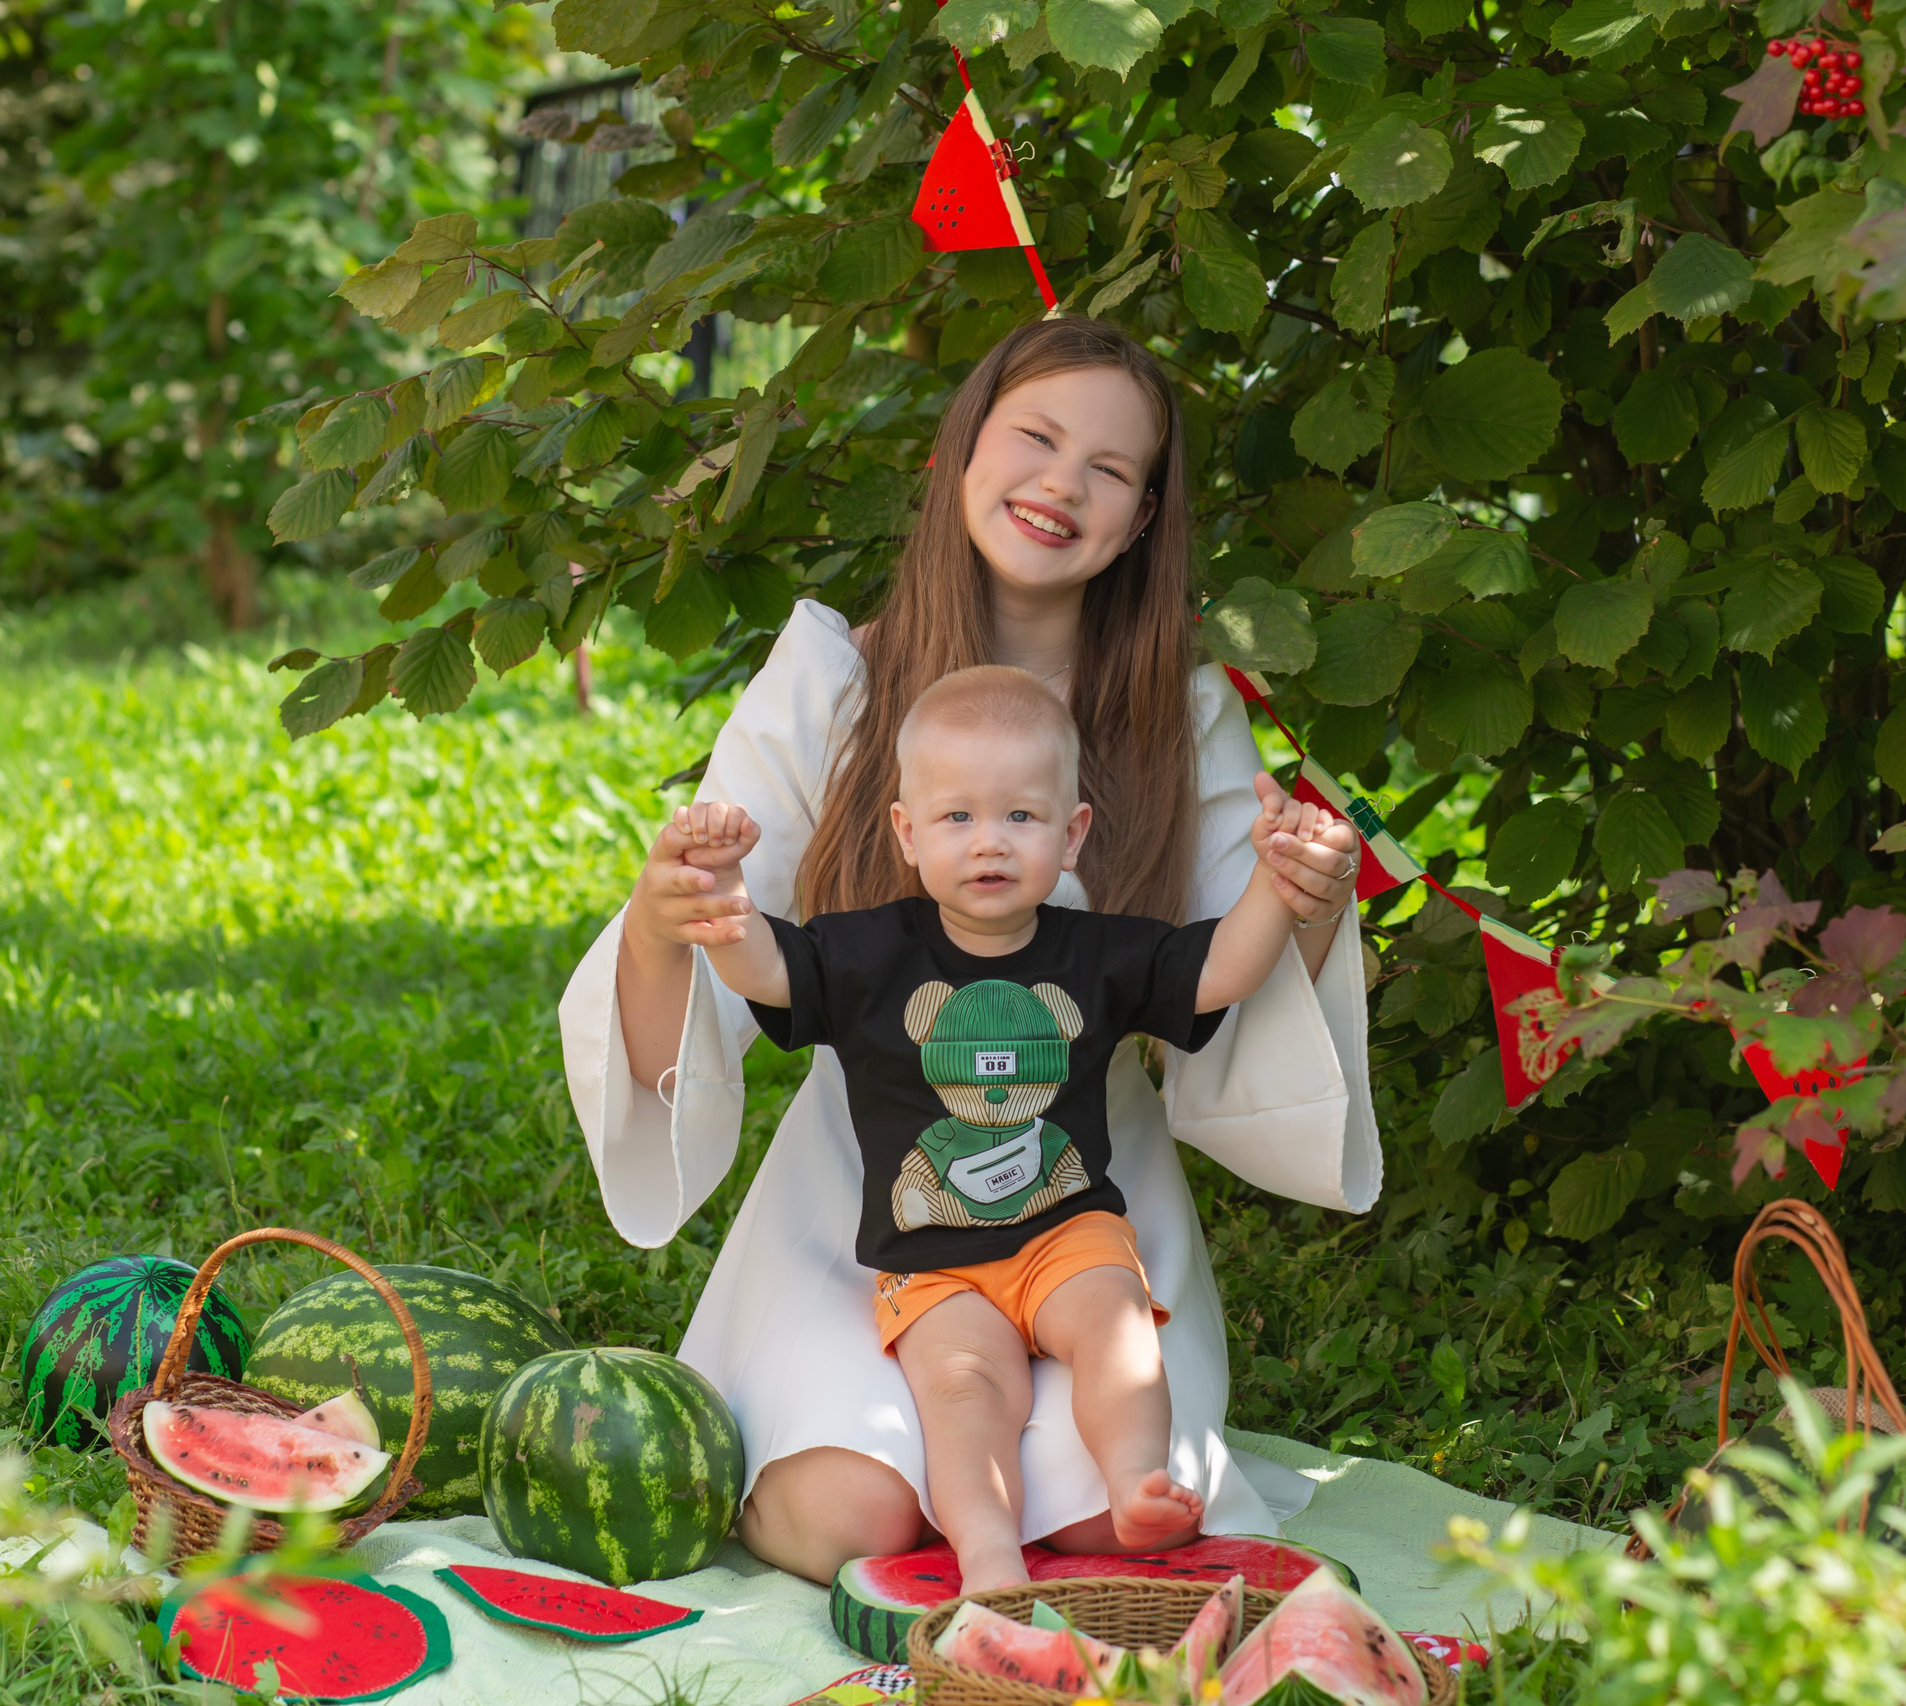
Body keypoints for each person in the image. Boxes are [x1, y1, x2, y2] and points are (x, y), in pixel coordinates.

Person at [559, 314, 1378, 1587]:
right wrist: (672, 920)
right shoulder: (830, 682)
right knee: (850, 1514)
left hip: (1087, 1210)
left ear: (1145, 518)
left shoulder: (1183, 717)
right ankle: (900, 1486)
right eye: (1036, 438)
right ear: (961, 452)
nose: (1063, 483)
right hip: (865, 1202)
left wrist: (1309, 893)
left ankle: (1042, 1511)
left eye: (1111, 469)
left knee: (1114, 1510)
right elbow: (722, 982)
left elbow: (1236, 986)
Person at [654, 664, 1357, 1591]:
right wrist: (723, 892)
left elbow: (1221, 971)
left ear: (1072, 835)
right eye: (957, 818)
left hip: (1068, 1231)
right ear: (907, 832)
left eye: (1021, 818)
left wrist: (1276, 884)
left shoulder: (1100, 952)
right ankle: (987, 1552)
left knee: (1117, 1331)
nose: (989, 843)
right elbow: (768, 973)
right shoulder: (870, 953)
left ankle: (1138, 1480)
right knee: (961, 1393)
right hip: (931, 1258)